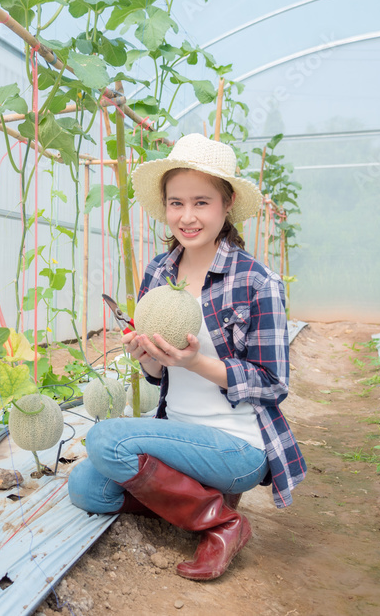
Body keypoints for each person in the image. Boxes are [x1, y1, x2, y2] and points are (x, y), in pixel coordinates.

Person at [68, 133, 306, 581]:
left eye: (201, 202)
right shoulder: (159, 270)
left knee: (106, 441)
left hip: (239, 447)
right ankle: (199, 499)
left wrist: (195, 362)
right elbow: (157, 375)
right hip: (176, 436)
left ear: (227, 203)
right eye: (176, 203)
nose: (187, 216)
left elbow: (273, 383)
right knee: (85, 487)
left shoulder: (256, 282)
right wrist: (148, 356)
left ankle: (223, 522)